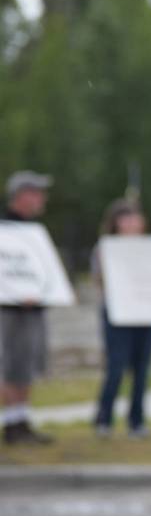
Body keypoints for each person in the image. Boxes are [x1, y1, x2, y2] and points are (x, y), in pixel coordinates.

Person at [92, 198, 151, 439]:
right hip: (117, 316)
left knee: (142, 370)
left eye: (135, 217)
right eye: (126, 218)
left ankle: (136, 421)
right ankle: (104, 418)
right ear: (116, 222)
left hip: (145, 315)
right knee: (116, 367)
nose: (132, 222)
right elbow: (99, 280)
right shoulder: (104, 248)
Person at [1, 170, 55, 446]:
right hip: (10, 311)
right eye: (37, 193)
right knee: (11, 366)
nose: (42, 198)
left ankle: (22, 421)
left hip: (34, 309)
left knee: (27, 366)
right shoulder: (6, 229)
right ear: (22, 195)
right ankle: (11, 424)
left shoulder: (33, 231)